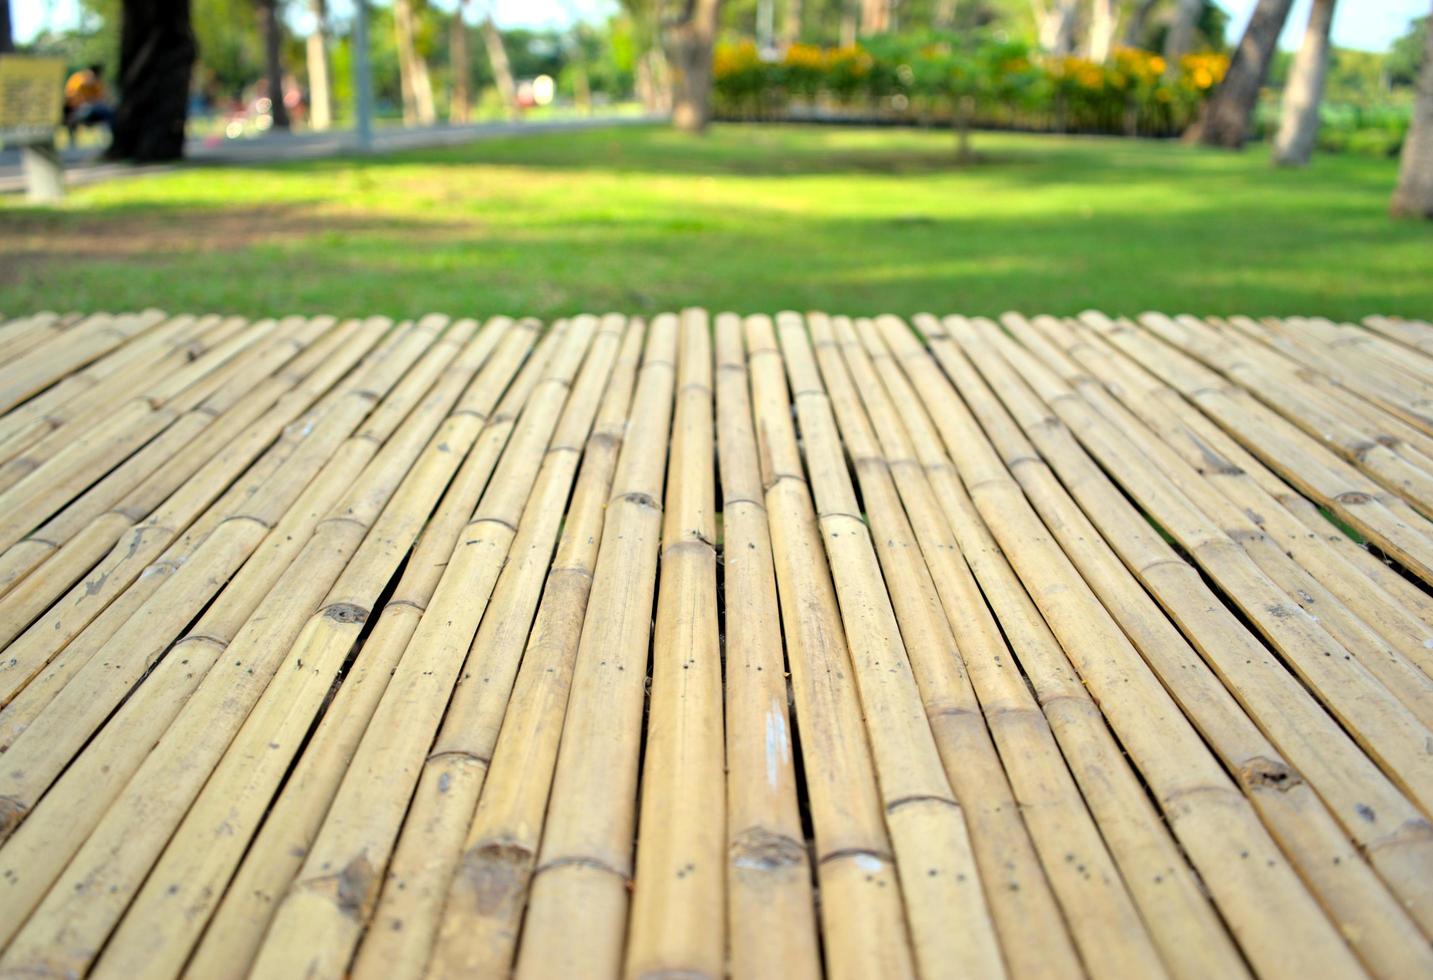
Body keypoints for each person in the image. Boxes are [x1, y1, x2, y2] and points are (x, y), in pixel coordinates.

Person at [64, 64, 116, 145]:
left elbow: (103, 98)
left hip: (92, 109)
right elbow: (70, 97)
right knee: (81, 112)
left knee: (108, 111)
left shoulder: (97, 83)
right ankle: (72, 138)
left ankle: (108, 136)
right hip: (77, 108)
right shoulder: (77, 80)